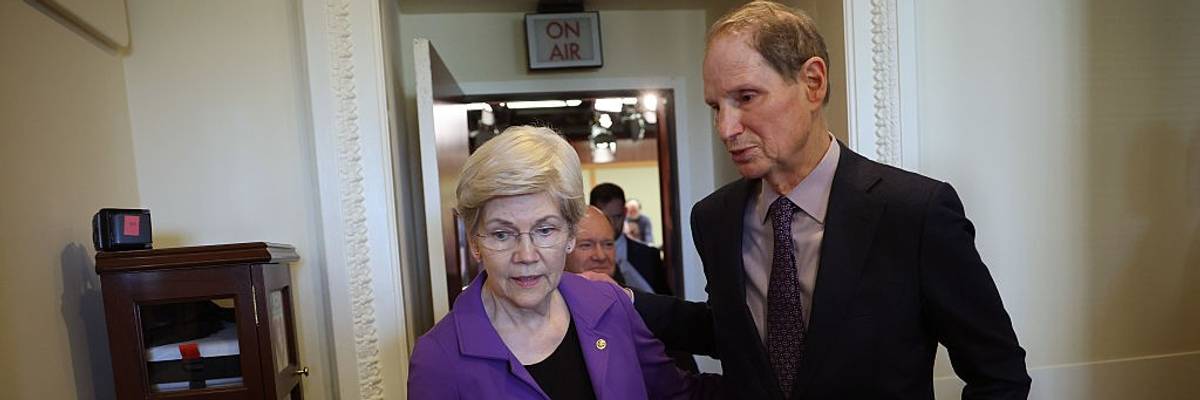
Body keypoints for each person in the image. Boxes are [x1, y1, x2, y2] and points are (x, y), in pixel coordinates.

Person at [628, 2, 1032, 399]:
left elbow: (999, 374)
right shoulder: (714, 218)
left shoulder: (914, 212)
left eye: (746, 97)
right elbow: (735, 333)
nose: (726, 127)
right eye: (716, 107)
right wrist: (623, 302)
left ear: (813, 83)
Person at [407, 126, 718, 399]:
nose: (526, 256)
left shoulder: (609, 305)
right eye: (502, 234)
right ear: (475, 242)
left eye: (545, 230)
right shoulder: (438, 358)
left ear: (570, 233)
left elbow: (678, 395)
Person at [567, 205, 701, 374]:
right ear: (563, 249)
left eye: (608, 244)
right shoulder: (548, 316)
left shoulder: (641, 309)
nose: (601, 256)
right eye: (586, 245)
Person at [590, 183, 672, 295]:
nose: (612, 224)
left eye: (617, 217)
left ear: (625, 213)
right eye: (605, 218)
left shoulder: (649, 256)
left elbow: (665, 303)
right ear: (594, 213)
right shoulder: (581, 257)